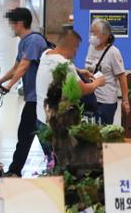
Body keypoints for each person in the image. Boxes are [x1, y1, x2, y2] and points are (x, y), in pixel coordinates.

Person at [35, 30, 105, 159]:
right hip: (55, 126)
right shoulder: (65, 64)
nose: (75, 53)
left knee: (51, 162)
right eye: (76, 49)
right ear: (73, 47)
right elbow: (81, 90)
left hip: (40, 120)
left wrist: (78, 71)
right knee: (63, 163)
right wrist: (98, 83)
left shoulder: (46, 55)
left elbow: (57, 64)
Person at [0, 8, 50, 177]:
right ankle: (16, 170)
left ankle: (16, 170)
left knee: (38, 136)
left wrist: (9, 86)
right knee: (30, 134)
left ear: (20, 23)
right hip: (33, 98)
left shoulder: (34, 40)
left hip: (39, 98)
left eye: (12, 24)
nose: (11, 27)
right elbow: (15, 67)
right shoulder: (24, 42)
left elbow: (24, 66)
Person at [84, 19, 130, 125]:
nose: (92, 35)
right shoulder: (90, 48)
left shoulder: (113, 52)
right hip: (90, 99)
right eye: (91, 31)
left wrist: (125, 100)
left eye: (95, 32)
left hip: (105, 102)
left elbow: (122, 77)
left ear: (106, 36)